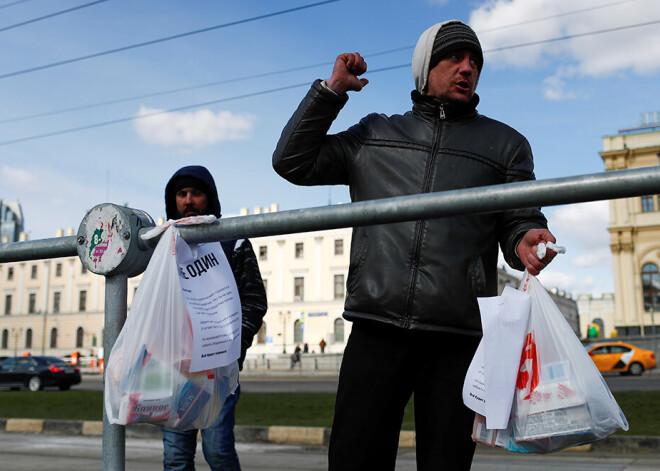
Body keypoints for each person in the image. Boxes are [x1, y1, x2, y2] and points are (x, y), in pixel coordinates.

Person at [272, 20, 557, 471]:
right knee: (355, 460)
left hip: (457, 338)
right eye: (454, 58)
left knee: (445, 464)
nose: (467, 68)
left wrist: (526, 238)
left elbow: (518, 217)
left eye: (475, 62)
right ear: (425, 67)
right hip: (376, 326)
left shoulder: (506, 145)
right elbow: (292, 161)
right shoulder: (373, 134)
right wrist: (332, 92)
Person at [161, 165, 267, 471]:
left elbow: (254, 300)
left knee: (218, 452)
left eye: (196, 193)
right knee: (175, 458)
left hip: (218, 373)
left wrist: (234, 348)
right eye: (181, 194)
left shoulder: (232, 243)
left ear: (210, 198)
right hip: (175, 372)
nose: (188, 200)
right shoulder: (166, 248)